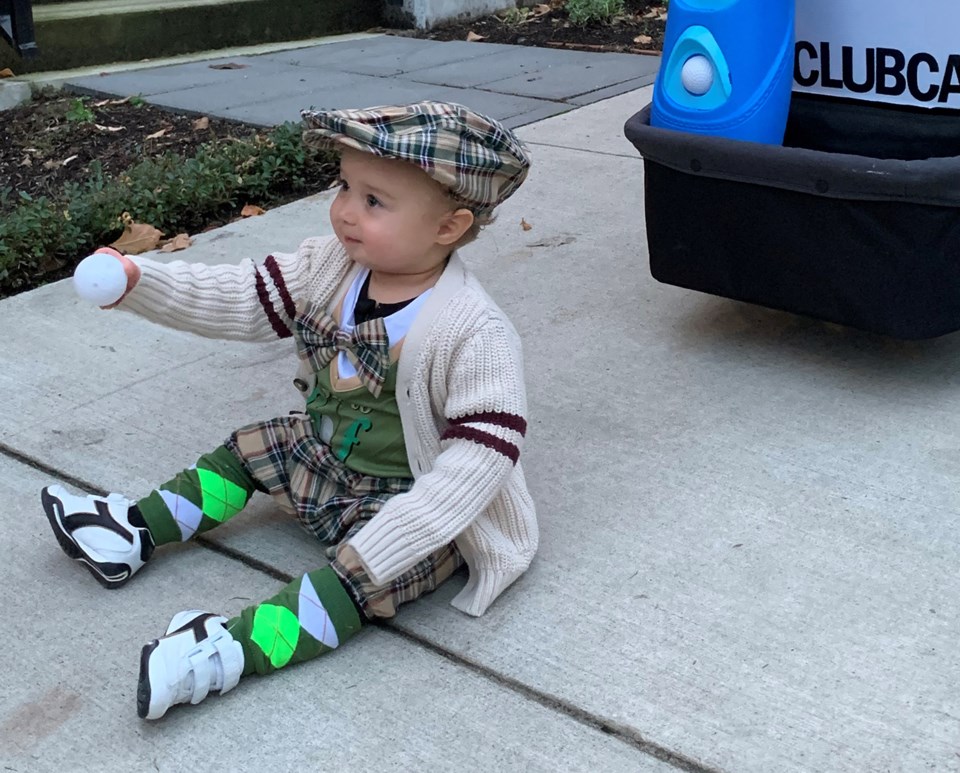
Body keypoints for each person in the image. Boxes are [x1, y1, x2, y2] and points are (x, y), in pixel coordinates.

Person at [40, 101, 538, 720]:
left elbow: (476, 465)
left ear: (450, 226)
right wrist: (143, 282)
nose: (345, 212)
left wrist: (394, 537)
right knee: (257, 445)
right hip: (329, 461)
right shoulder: (333, 265)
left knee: (365, 577)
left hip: (411, 501)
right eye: (343, 187)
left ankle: (228, 652)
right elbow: (246, 296)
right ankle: (134, 530)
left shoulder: (475, 331)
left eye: (374, 201)